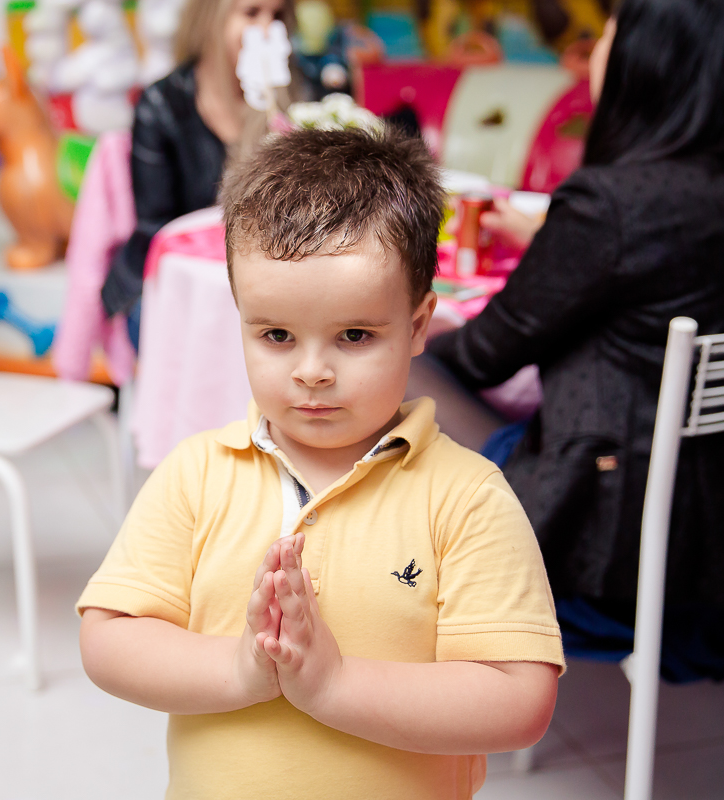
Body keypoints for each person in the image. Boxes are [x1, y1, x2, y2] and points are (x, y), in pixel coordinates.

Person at [78, 127, 563, 799]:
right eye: (276, 335)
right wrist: (242, 671)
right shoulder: (196, 474)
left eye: (355, 336)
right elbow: (109, 639)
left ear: (421, 324)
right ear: (241, 316)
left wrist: (333, 684)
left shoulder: (467, 497)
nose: (312, 372)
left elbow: (520, 699)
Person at [420, 0, 724, 681]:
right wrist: (557, 242)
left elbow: (486, 354)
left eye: (609, 30)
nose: (598, 45)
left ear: (646, 55)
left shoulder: (611, 202)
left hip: (608, 544)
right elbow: (673, 266)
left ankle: (375, 599)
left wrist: (428, 324)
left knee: (392, 356)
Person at [100, 0, 299, 344]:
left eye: (277, 15)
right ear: (212, 17)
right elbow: (156, 226)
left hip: (271, 279)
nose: (267, 28)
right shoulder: (163, 104)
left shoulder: (297, 98)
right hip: (173, 276)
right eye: (251, 13)